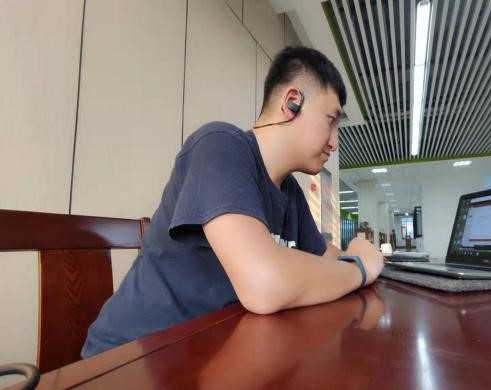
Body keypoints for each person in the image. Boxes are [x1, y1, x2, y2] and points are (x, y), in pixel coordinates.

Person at [81, 46, 384, 358]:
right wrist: (359, 269)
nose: (334, 142)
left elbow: (328, 260)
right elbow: (264, 284)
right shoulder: (220, 145)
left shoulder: (290, 192)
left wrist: (355, 259)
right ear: (292, 102)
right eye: (331, 120)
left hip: (213, 356)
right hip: (130, 358)